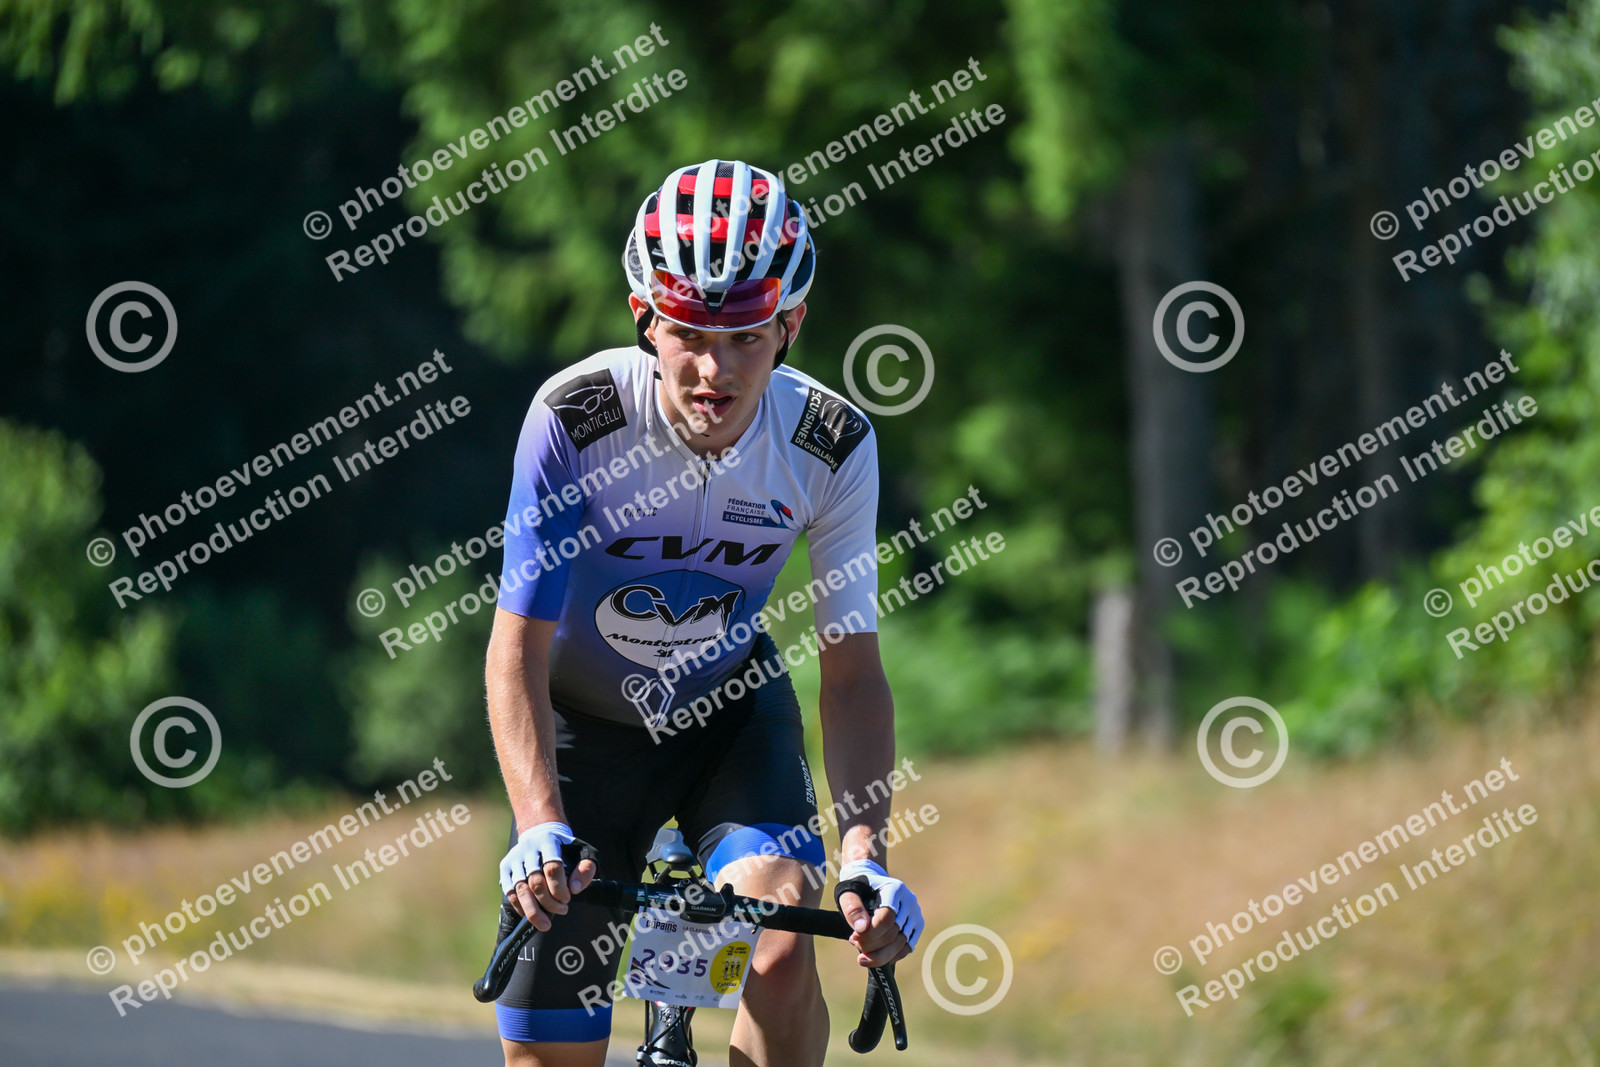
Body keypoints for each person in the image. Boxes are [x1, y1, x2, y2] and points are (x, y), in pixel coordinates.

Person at [484, 159, 922, 1067]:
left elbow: (851, 673)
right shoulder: (577, 416)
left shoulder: (831, 443)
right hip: (581, 731)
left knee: (781, 935)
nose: (714, 369)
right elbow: (515, 648)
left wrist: (866, 856)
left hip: (727, 718)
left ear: (791, 325)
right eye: (687, 333)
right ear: (644, 315)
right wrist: (537, 822)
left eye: (747, 338)